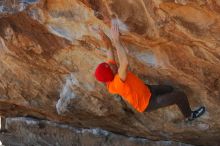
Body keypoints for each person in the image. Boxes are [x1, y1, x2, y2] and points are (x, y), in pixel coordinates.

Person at [94, 19, 205, 121]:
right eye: (112, 67)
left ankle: (175, 101)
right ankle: (189, 116)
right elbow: (124, 63)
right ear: (112, 75)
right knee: (180, 95)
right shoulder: (117, 83)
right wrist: (117, 41)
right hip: (148, 103)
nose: (112, 65)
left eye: (109, 65)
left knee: (169, 88)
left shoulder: (110, 73)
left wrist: (102, 35)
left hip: (147, 90)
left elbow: (109, 49)